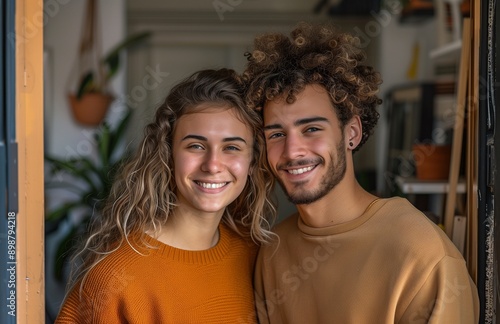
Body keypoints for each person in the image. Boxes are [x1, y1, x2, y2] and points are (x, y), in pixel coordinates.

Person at [243, 22, 479, 323]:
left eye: (312, 129)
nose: (292, 151)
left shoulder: (421, 254)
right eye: (276, 134)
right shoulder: (273, 250)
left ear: (351, 132)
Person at [55, 68, 276, 324]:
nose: (213, 164)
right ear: (168, 155)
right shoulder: (115, 278)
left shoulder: (253, 255)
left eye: (232, 147)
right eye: (196, 145)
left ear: (252, 161)